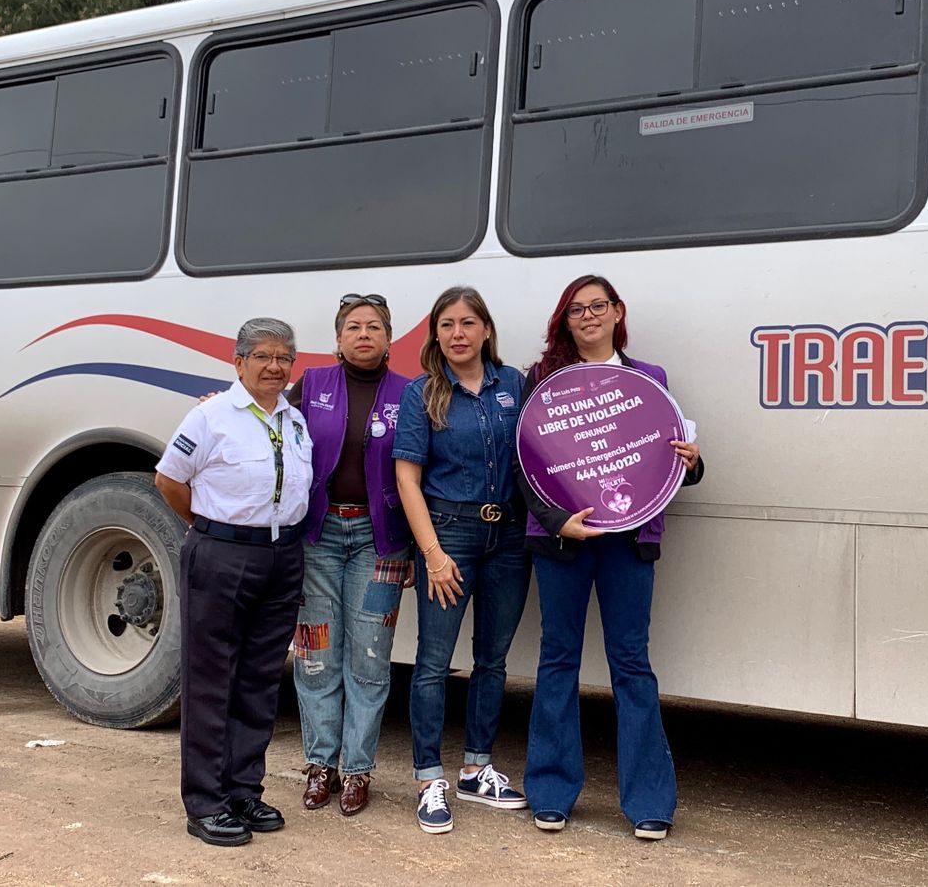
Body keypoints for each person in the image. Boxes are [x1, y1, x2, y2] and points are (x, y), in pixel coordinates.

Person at [518, 275, 704, 841]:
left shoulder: (652, 380)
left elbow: (669, 468)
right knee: (557, 661)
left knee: (631, 666)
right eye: (577, 310)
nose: (589, 316)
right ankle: (550, 793)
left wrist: (691, 462)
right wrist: (557, 522)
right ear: (565, 321)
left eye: (598, 306)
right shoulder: (544, 379)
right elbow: (525, 464)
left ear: (618, 312)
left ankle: (649, 801)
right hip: (563, 540)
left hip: (629, 540)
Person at [155, 318, 313, 848]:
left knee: (261, 678)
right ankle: (205, 802)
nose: (275, 367)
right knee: (210, 678)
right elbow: (169, 481)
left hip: (282, 555)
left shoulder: (294, 420)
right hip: (221, 554)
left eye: (283, 358)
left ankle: (244, 789)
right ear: (238, 361)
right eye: (263, 356)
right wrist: (208, 527)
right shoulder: (209, 416)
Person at [392, 285, 530, 834]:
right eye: (446, 325)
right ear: (436, 335)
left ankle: (477, 768)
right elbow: (407, 478)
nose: (457, 334)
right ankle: (429, 779)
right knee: (433, 663)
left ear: (486, 330)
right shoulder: (423, 394)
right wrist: (432, 554)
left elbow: (545, 452)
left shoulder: (515, 385)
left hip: (510, 540)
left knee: (492, 661)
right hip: (449, 536)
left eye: (467, 323)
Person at [287, 294, 412, 817]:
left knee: (368, 659)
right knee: (316, 656)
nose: (365, 334)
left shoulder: (411, 394)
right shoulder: (310, 386)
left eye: (375, 327)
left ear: (388, 338)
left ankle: (357, 770)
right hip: (317, 537)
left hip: (378, 541)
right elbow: (267, 429)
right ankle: (320, 766)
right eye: (354, 327)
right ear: (338, 339)